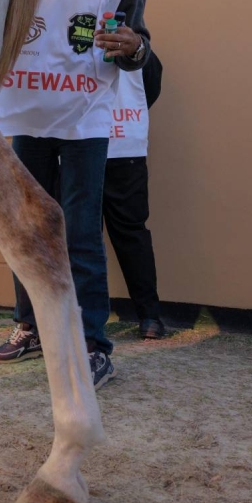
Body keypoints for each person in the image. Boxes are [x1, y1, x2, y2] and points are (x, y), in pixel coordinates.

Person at [0, 0, 152, 389]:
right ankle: (30, 327)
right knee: (27, 226)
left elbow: (138, 45)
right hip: (29, 115)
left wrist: (131, 46)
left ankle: (92, 345)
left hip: (85, 118)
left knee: (80, 232)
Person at [105, 50, 166, 340]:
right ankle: (150, 317)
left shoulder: (69, 40)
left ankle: (83, 316)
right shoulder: (139, 49)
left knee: (80, 238)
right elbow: (150, 88)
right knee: (132, 233)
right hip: (126, 144)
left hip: (77, 151)